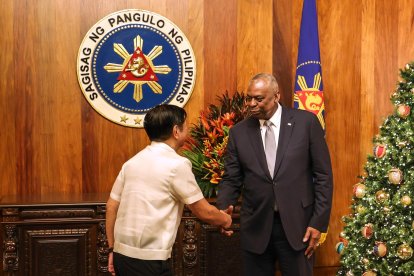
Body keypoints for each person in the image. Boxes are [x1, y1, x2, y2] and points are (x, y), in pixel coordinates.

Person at [217, 73, 333, 276]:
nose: (252, 104)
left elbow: (323, 176)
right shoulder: (239, 132)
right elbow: (231, 178)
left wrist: (318, 222)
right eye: (249, 98)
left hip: (299, 226)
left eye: (259, 99)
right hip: (256, 226)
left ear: (276, 96)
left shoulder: (306, 123)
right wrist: (222, 210)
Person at [106, 104, 233, 276]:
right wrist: (225, 220)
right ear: (176, 131)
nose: (187, 129)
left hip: (122, 256)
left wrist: (112, 249)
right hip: (149, 261)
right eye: (186, 125)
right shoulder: (177, 165)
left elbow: (111, 206)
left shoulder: (131, 163)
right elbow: (203, 212)